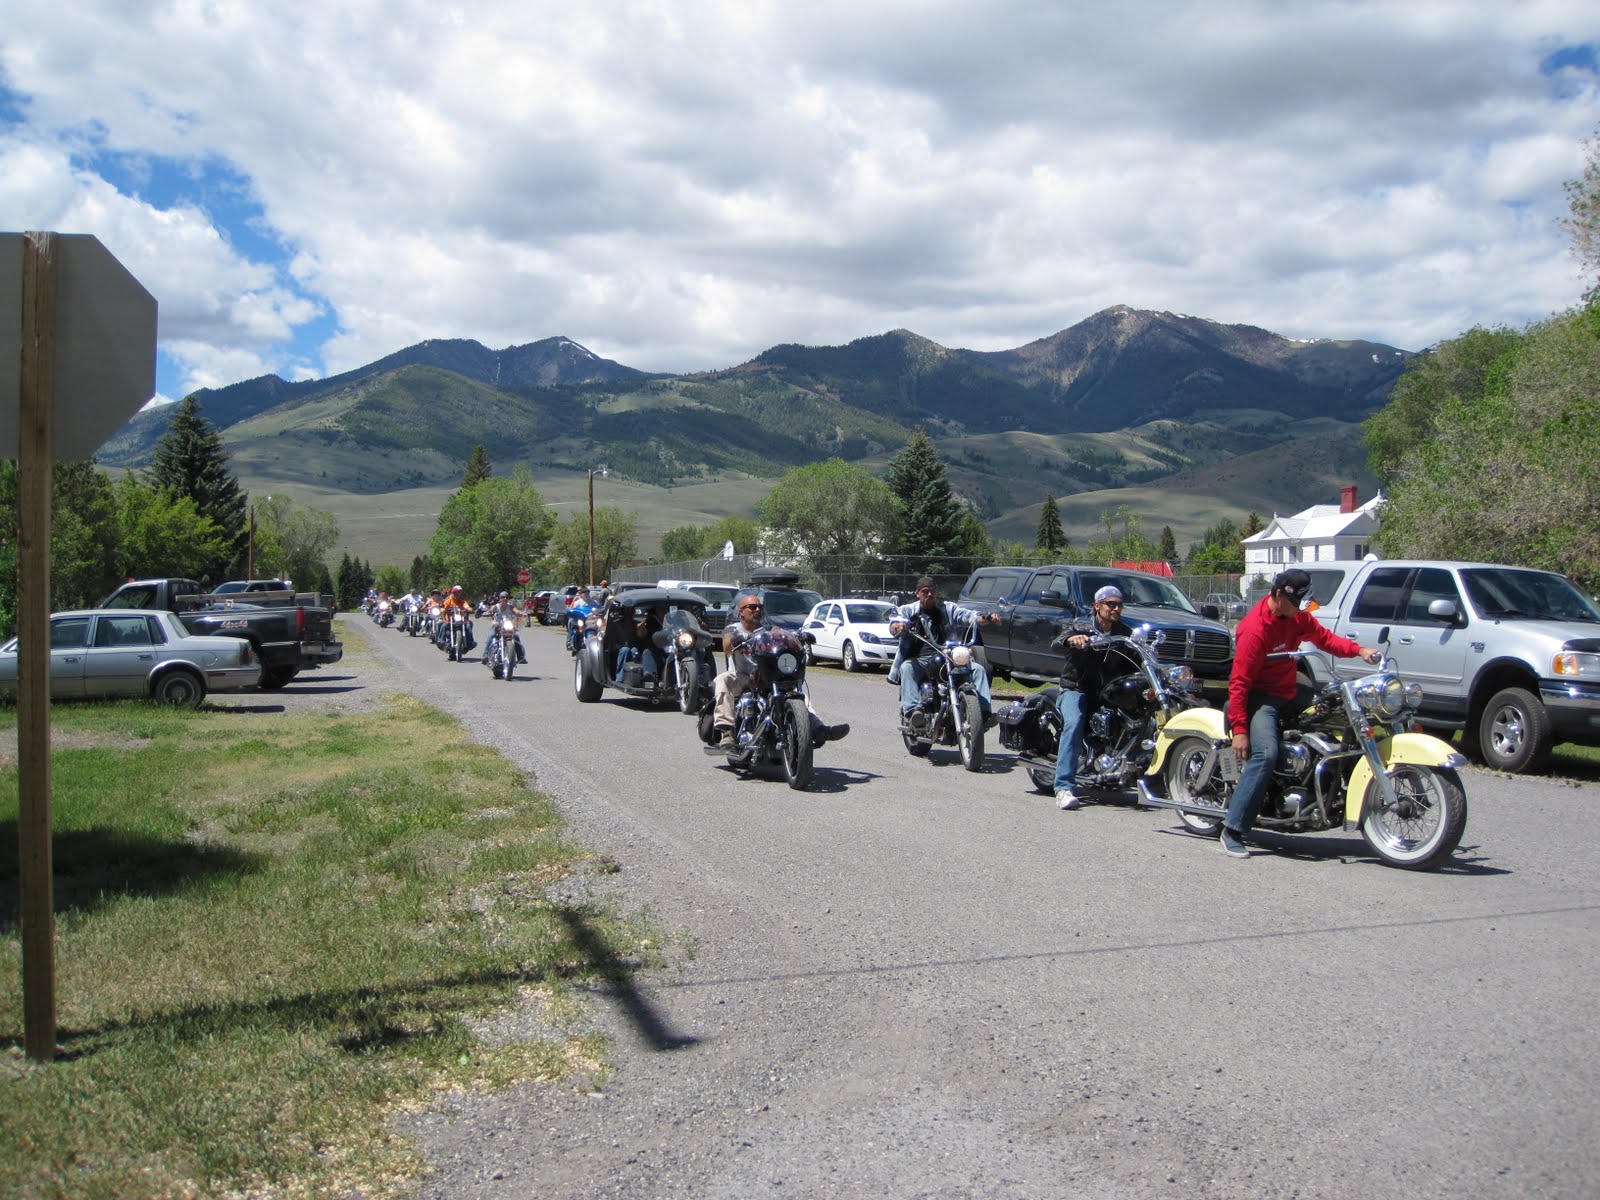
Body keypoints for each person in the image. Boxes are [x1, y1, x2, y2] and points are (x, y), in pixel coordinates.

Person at [1221, 568, 1382, 859]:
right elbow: (1240, 683)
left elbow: (1325, 639)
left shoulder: (1297, 617)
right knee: (1266, 754)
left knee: (1339, 710)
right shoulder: (1254, 629)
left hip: (1290, 689)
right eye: (1297, 603)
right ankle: (1233, 828)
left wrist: (1359, 651)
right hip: (1260, 697)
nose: (1301, 609)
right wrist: (1240, 729)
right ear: (1278, 595)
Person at [711, 591, 849, 748]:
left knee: (797, 694)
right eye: (753, 607)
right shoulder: (733, 629)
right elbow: (727, 645)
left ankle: (819, 729)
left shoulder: (768, 629)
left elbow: (783, 634)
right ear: (741, 612)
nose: (758, 610)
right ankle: (726, 731)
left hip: (765, 676)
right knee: (723, 679)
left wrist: (797, 637)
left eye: (760, 607)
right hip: (742, 677)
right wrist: (735, 640)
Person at [1049, 585, 1142, 810]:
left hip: (1108, 693)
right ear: (1097, 606)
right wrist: (1072, 640)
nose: (1116, 608)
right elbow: (1057, 643)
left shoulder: (1125, 632)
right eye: (1111, 604)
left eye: (1119, 605)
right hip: (1077, 688)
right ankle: (1063, 787)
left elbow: (1137, 658)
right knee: (1073, 723)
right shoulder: (1081, 626)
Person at [888, 577, 1002, 728]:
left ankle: (984, 714)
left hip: (947, 655)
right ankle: (914, 711)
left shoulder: (948, 608)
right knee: (907, 668)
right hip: (920, 659)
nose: (929, 594)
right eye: (925, 591)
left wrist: (987, 617)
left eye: (932, 591)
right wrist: (898, 626)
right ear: (917, 593)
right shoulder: (908, 610)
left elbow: (968, 616)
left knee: (978, 670)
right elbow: (895, 623)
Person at [615, 601, 666, 683]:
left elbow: (641, 636)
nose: (629, 612)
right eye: (627, 610)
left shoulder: (638, 624)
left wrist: (641, 629)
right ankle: (620, 678)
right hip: (620, 646)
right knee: (626, 650)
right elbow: (613, 640)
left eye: (631, 610)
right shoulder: (617, 624)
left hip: (635, 646)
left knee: (634, 650)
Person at [480, 591, 528, 664]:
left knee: (516, 636)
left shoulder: (510, 607)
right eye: (503, 597)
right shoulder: (496, 606)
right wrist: (486, 613)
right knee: (491, 636)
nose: (505, 599)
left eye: (506, 597)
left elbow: (516, 611)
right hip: (497, 626)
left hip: (507, 626)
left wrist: (521, 613)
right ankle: (485, 656)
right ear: (500, 598)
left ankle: (521, 657)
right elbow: (489, 611)